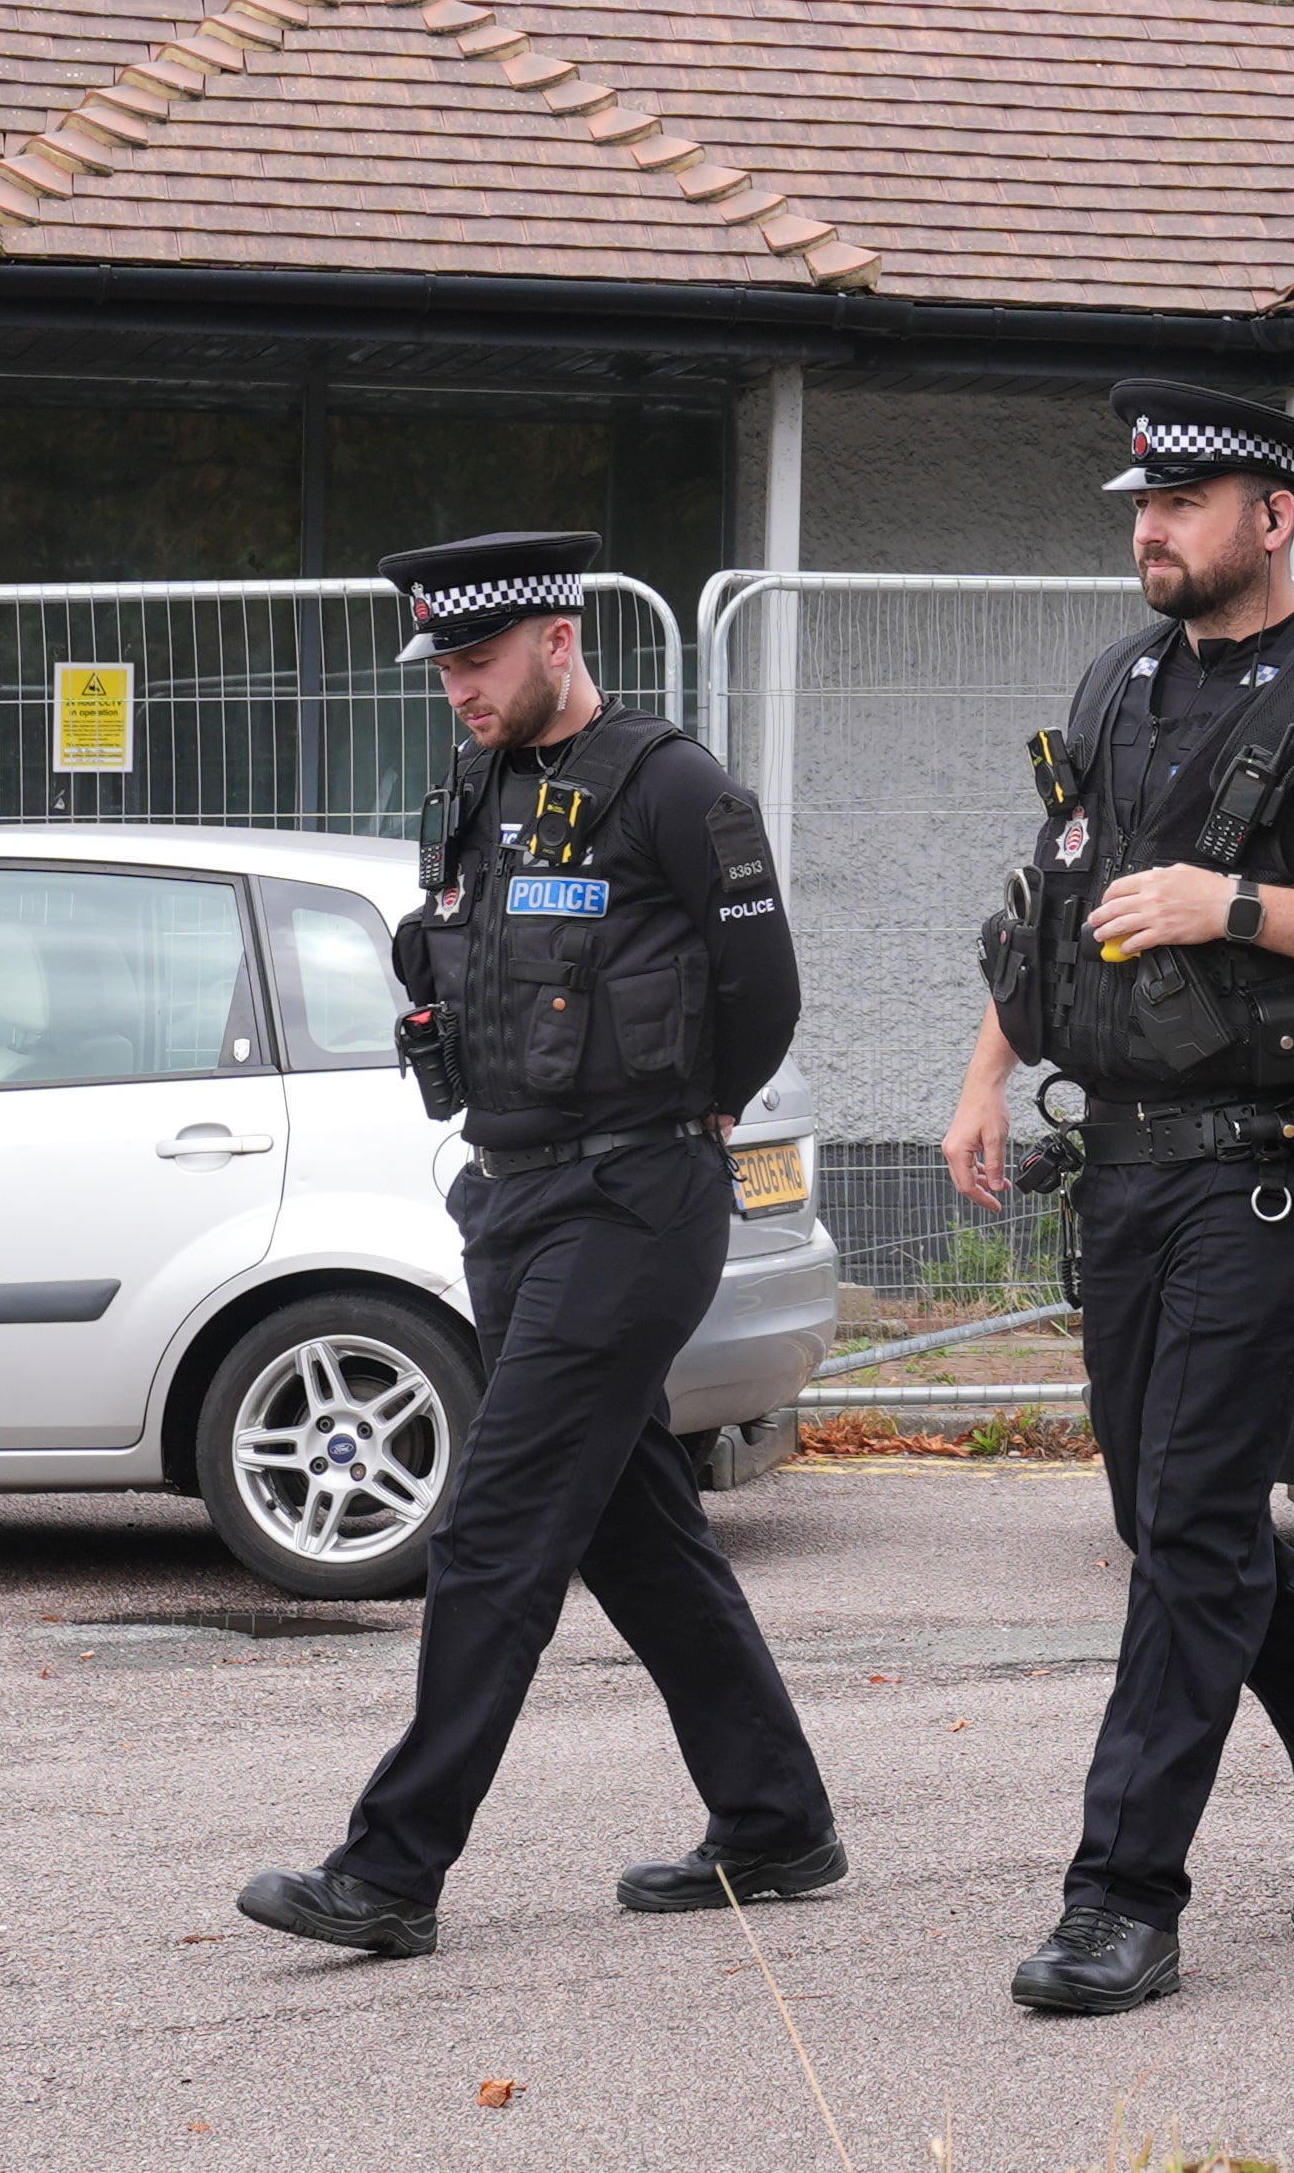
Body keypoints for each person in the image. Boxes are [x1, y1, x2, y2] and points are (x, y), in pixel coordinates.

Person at [944, 382, 1294, 2018]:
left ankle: (1121, 1897)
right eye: (1138, 501)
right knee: (1171, 1519)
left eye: (1181, 501)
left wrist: (1233, 902)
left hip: (1272, 1165)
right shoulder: (1117, 683)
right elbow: (1054, 904)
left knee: (1182, 1523)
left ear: (1273, 515)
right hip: (1121, 1159)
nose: (1147, 527)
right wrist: (984, 1071)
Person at [237, 530, 836, 1961]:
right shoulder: (479, 788)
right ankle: (775, 1819)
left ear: (559, 639)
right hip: (510, 1197)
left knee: (498, 1524)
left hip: (635, 1201)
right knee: (634, 1533)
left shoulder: (675, 788)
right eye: (442, 662)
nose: (458, 686)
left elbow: (764, 992)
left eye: (479, 659)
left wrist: (686, 1115)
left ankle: (391, 1869)